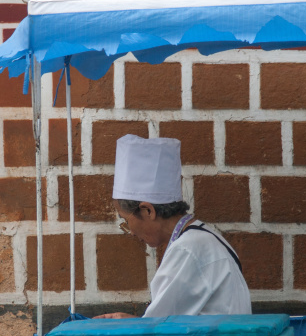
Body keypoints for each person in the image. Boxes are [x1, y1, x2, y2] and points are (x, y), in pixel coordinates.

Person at [95, 134, 251, 319]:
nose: (131, 232)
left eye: (126, 220)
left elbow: (156, 330)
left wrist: (126, 323)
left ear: (147, 211)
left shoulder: (188, 249)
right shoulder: (200, 237)